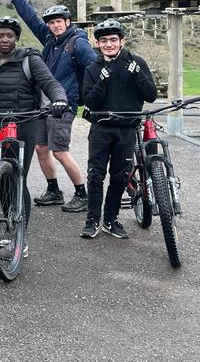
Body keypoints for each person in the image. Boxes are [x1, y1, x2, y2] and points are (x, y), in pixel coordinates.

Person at [0, 17, 68, 256]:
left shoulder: (30, 60)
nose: (4, 39)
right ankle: (5, 225)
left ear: (16, 38)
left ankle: (19, 237)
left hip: (23, 124)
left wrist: (59, 99)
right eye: (0, 35)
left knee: (16, 178)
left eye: (9, 36)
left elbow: (51, 84)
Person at [6, 0, 96, 212]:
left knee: (59, 151)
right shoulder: (49, 40)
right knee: (41, 148)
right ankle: (54, 190)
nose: (55, 25)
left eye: (59, 21)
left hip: (63, 105)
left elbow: (94, 68)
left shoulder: (78, 43)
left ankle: (82, 193)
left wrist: (89, 97)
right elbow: (32, 20)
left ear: (68, 22)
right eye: (52, 22)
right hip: (43, 104)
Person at [80, 19, 157, 239]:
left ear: (122, 41)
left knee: (119, 177)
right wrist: (102, 81)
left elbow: (151, 95)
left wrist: (137, 75)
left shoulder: (137, 63)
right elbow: (90, 103)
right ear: (97, 43)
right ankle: (92, 220)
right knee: (95, 175)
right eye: (103, 40)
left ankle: (110, 220)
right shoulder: (93, 69)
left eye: (113, 40)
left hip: (126, 129)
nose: (109, 44)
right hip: (101, 129)